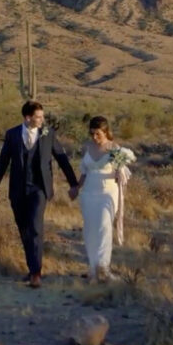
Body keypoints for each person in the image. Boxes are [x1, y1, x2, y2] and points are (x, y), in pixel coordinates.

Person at [0, 100, 79, 288]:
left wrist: (73, 184)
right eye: (38, 117)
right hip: (17, 190)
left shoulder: (48, 134)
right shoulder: (12, 135)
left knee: (36, 227)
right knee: (24, 229)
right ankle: (32, 268)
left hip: (39, 189)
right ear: (27, 117)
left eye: (42, 116)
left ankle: (36, 273)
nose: (42, 120)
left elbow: (62, 159)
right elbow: (2, 162)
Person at [77, 116, 133, 282]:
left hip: (106, 193)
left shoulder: (114, 149)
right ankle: (93, 267)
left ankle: (103, 268)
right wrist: (75, 187)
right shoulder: (88, 147)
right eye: (92, 134)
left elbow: (122, 175)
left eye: (98, 134)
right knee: (90, 230)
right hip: (88, 193)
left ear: (106, 132)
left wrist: (119, 172)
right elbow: (84, 172)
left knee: (104, 227)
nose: (94, 138)